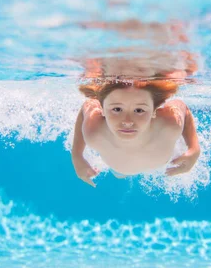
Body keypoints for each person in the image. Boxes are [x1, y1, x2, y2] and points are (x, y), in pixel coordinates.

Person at [71, 79, 200, 187]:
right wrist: (77, 156)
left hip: (162, 162)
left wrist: (194, 148)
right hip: (119, 168)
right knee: (120, 174)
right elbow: (86, 107)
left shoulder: (169, 125)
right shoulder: (94, 132)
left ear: (154, 111)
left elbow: (183, 109)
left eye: (139, 110)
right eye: (117, 109)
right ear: (102, 109)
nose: (127, 122)